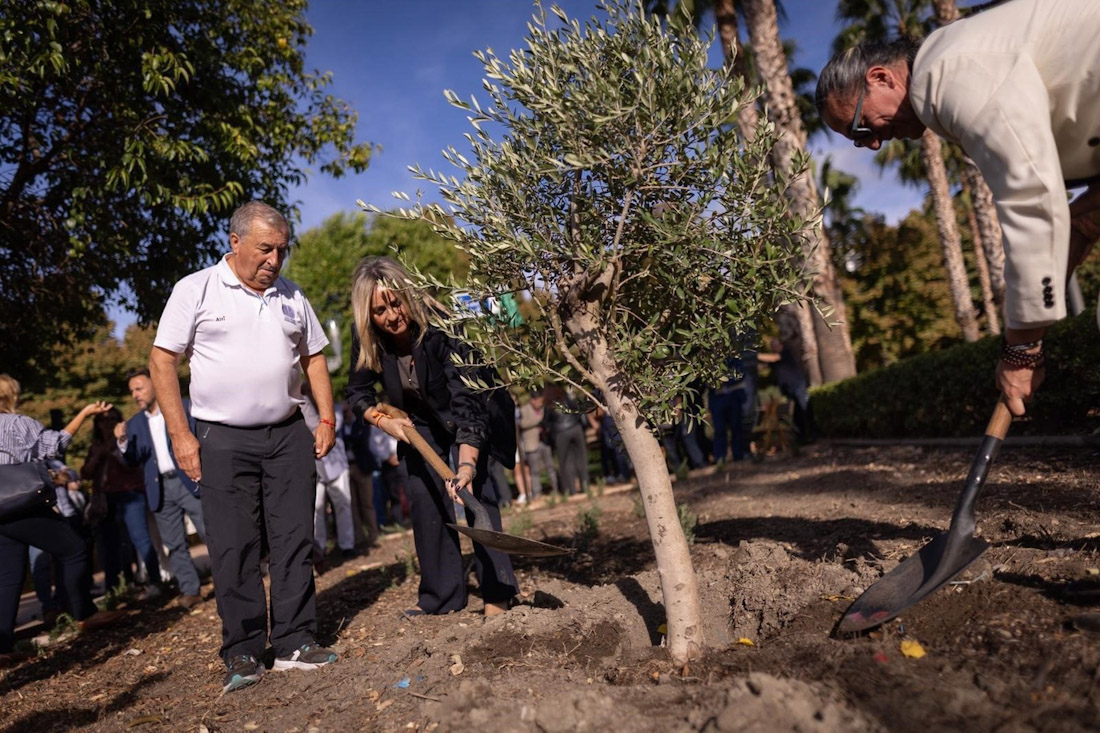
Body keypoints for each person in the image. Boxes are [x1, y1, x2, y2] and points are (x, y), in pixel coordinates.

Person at [815, 0, 1100, 417]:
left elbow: (1032, 197)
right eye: (859, 142)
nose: (872, 144)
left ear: (880, 78)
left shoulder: (947, 72)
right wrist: (1083, 221)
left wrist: (1022, 348)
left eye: (859, 128)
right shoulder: (953, 71)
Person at [148, 200, 338, 694]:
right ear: (234, 242)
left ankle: (295, 640)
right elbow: (162, 361)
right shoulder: (196, 289)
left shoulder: (292, 295)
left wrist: (326, 418)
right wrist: (180, 435)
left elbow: (315, 358)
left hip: (288, 433)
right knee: (234, 546)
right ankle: (245, 649)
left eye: (282, 250)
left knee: (294, 537)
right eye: (265, 248)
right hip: (222, 437)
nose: (275, 259)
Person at [346, 256, 519, 617]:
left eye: (396, 303)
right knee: (424, 497)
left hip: (470, 409)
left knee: (478, 493)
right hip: (418, 423)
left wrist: (466, 466)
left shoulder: (443, 327)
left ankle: (498, 593)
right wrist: (384, 422)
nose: (392, 316)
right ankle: (441, 596)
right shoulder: (367, 337)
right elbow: (358, 392)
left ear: (408, 295)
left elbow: (468, 403)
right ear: (368, 315)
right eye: (380, 310)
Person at [0, 374, 124, 665]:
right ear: (11, 396)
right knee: (74, 549)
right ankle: (85, 614)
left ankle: (2, 646)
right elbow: (55, 445)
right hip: (22, 504)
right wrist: (84, 412)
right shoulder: (17, 423)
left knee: (8, 576)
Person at [117, 368, 207, 610]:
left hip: (190, 479)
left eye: (139, 388)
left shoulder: (183, 407)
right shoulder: (133, 424)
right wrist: (122, 442)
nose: (135, 395)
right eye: (132, 391)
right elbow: (131, 461)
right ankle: (190, 590)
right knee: (174, 544)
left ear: (155, 385)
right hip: (159, 489)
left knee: (210, 531)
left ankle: (230, 580)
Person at [81, 407, 165, 600]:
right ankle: (113, 589)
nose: (106, 424)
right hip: (105, 499)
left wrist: (118, 445)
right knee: (109, 545)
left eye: (111, 419)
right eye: (101, 420)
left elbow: (133, 462)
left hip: (130, 493)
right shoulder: (96, 446)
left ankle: (155, 581)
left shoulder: (128, 437)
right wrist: (99, 455)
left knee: (140, 538)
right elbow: (85, 473)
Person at [301, 393, 356, 564]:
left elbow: (331, 424)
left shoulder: (333, 407)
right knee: (317, 509)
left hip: (336, 464)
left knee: (343, 505)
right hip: (314, 466)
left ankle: (347, 546)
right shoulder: (301, 401)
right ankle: (320, 548)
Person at [759, 337, 817, 446]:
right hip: (790, 391)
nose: (774, 348)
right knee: (797, 415)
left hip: (798, 386)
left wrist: (755, 355)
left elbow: (773, 358)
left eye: (775, 345)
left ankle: (813, 435)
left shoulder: (785, 353)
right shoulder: (775, 360)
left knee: (805, 410)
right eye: (772, 346)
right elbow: (763, 367)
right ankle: (803, 438)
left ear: (781, 345)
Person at [543, 385, 589, 496]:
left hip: (560, 433)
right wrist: (584, 427)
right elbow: (578, 411)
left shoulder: (549, 405)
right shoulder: (566, 398)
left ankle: (570, 490)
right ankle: (585, 486)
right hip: (575, 428)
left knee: (564, 463)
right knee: (581, 458)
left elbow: (545, 423)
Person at [516, 390, 559, 500]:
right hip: (531, 444)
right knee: (534, 471)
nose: (540, 404)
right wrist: (539, 421)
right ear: (532, 400)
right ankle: (537, 493)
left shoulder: (545, 409)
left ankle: (555, 489)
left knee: (550, 467)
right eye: (538, 402)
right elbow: (522, 424)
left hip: (544, 442)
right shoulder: (524, 410)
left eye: (541, 402)